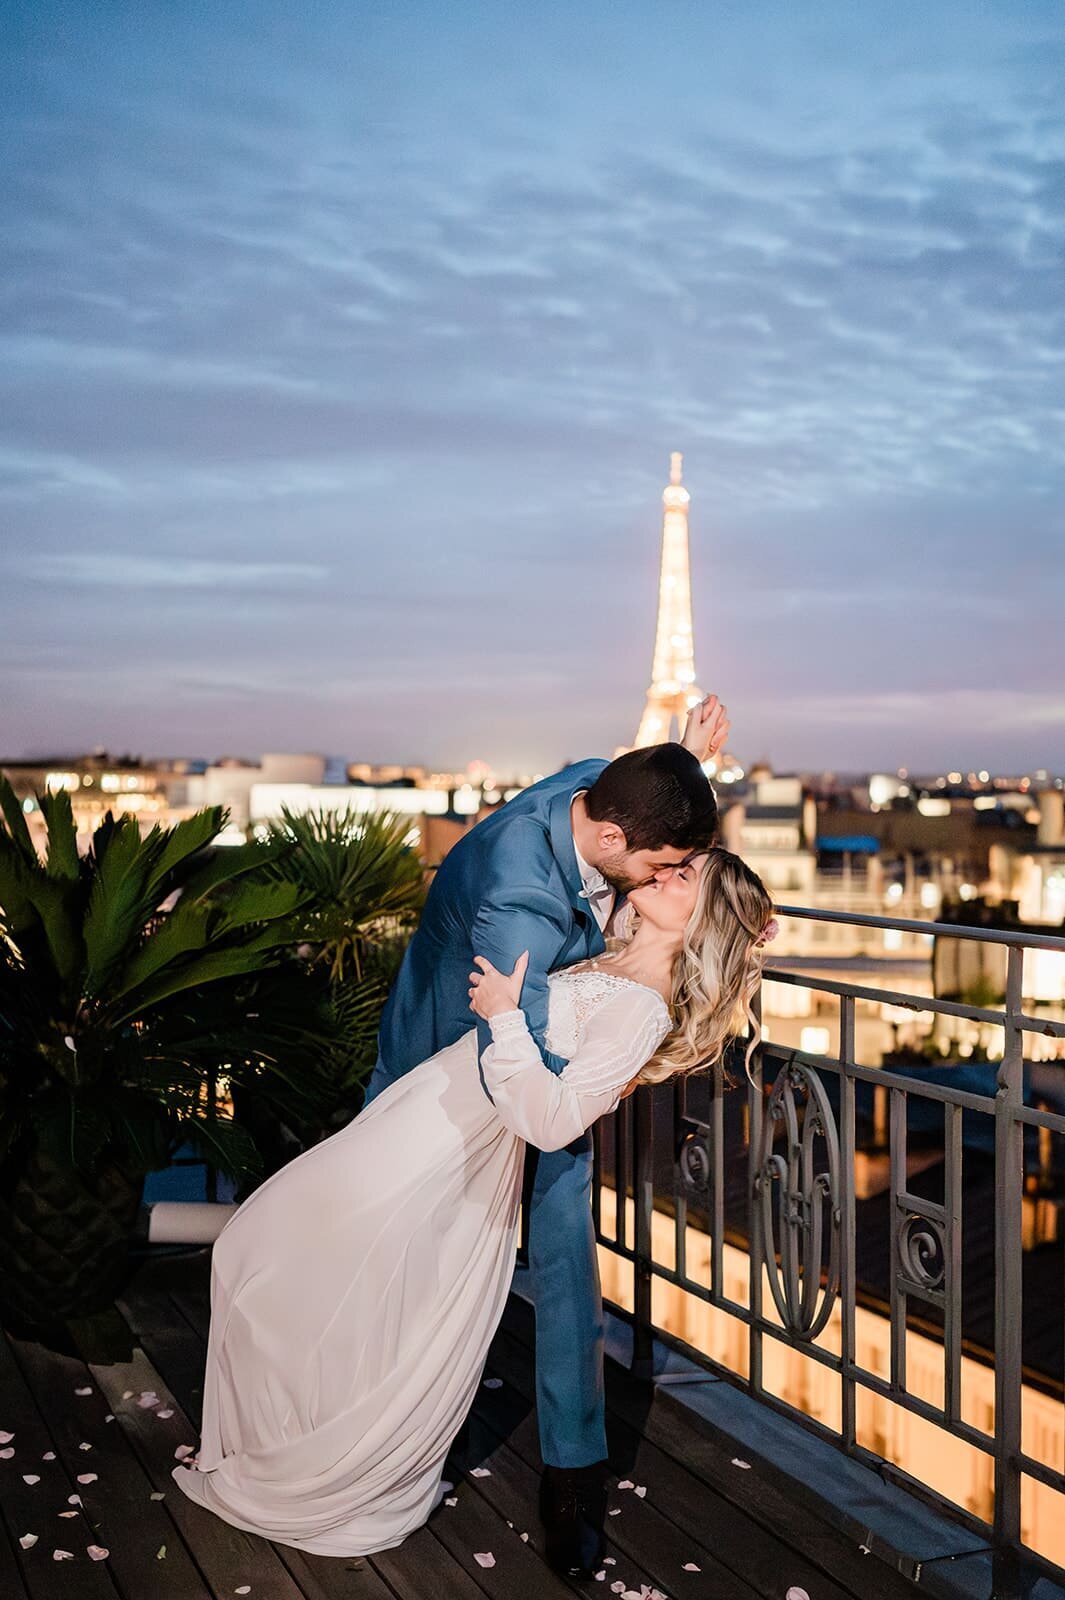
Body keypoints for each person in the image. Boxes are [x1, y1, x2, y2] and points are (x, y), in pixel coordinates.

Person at [171, 838, 775, 1562]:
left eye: (686, 878)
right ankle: (277, 1442)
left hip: (453, 1142)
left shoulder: (642, 1008)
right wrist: (688, 753)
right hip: (425, 1111)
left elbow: (552, 1120)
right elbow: (631, 823)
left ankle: (317, 1469)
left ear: (702, 918)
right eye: (674, 863)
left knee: (280, 1251)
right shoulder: (614, 942)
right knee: (280, 1249)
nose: (666, 873)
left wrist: (505, 1015)